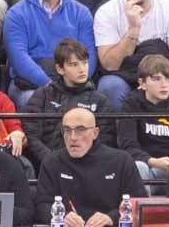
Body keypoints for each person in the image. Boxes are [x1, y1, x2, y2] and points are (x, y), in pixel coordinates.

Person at [2, 0, 94, 105]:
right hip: (30, 84)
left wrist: (73, 83)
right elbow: (19, 58)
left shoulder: (81, 13)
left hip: (73, 82)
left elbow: (89, 55)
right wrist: (51, 86)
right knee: (34, 100)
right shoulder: (16, 14)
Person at [35, 106, 147, 225]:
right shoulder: (52, 162)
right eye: (67, 130)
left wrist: (111, 218)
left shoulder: (121, 160)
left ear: (95, 133)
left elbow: (139, 205)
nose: (73, 137)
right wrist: (63, 216)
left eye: (80, 130)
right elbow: (42, 206)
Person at [22, 38, 115, 167]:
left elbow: (105, 140)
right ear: (60, 69)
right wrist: (51, 161)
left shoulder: (100, 101)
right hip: (47, 166)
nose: (82, 69)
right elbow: (31, 135)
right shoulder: (43, 95)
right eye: (74, 64)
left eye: (85, 63)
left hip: (87, 168)